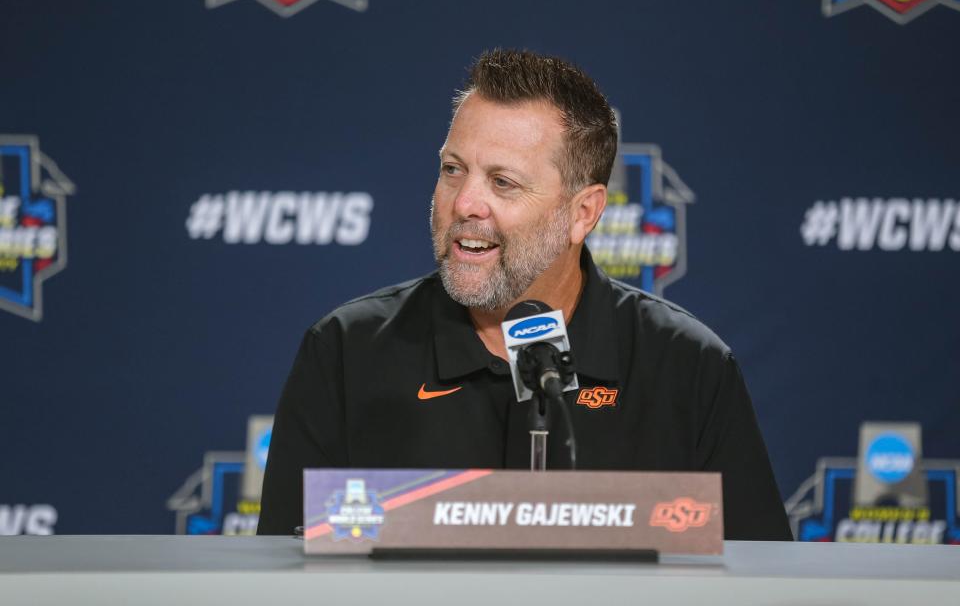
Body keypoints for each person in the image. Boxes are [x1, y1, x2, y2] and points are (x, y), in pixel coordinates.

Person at [257, 49, 792, 540]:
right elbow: (280, 576)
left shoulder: (689, 367)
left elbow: (761, 581)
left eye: (503, 182)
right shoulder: (346, 353)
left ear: (583, 213)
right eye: (452, 170)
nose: (464, 203)